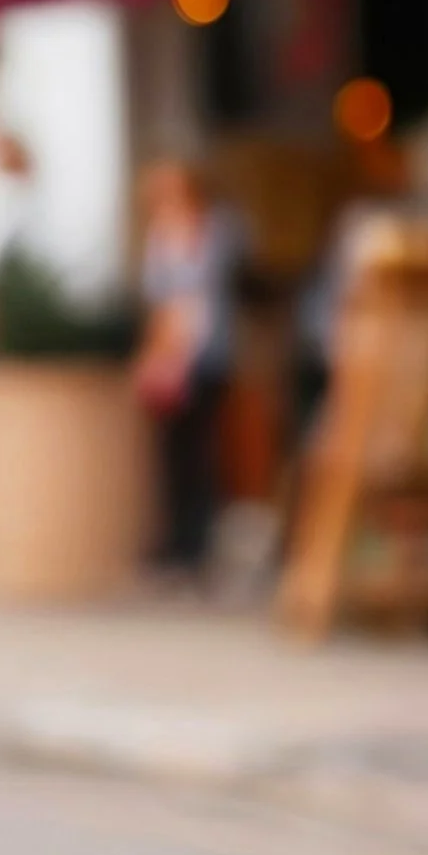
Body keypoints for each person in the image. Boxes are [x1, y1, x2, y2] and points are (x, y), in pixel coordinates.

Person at [135, 158, 242, 581]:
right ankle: (177, 539)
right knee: (173, 451)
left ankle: (201, 539)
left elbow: (221, 281)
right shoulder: (159, 237)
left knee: (205, 447)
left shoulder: (219, 229)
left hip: (210, 352)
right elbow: (160, 303)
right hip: (172, 357)